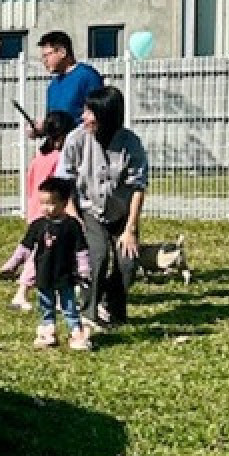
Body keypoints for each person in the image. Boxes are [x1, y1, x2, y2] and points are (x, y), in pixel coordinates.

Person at [57, 85, 149, 329]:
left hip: (121, 213)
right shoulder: (75, 139)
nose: (84, 117)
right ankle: (87, 315)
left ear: (107, 116)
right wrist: (73, 215)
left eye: (90, 113)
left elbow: (139, 187)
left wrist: (130, 229)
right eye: (85, 111)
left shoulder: (130, 143)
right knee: (96, 258)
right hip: (88, 211)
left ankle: (112, 308)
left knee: (127, 262)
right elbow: (63, 181)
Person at [0, 177, 92, 350]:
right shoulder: (38, 225)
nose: (45, 208)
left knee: (69, 304)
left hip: (65, 275)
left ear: (64, 203)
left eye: (51, 203)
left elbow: (81, 250)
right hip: (44, 273)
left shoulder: (72, 226)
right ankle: (48, 330)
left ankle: (76, 332)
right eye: (42, 203)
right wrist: (12, 265)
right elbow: (25, 248)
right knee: (46, 304)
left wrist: (84, 270)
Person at [10, 111, 76, 312]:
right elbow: (61, 187)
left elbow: (31, 184)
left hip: (35, 209)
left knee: (38, 253)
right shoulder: (59, 158)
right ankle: (22, 293)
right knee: (45, 255)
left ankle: (28, 292)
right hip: (50, 212)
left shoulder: (39, 157)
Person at [34, 30, 102, 131]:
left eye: (47, 55)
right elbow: (53, 122)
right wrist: (40, 129)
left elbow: (98, 115)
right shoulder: (53, 86)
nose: (44, 61)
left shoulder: (87, 76)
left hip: (82, 144)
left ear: (63, 52)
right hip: (58, 145)